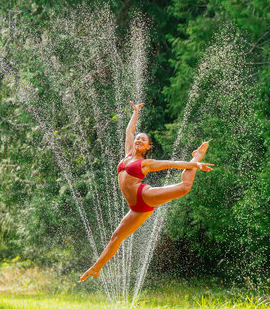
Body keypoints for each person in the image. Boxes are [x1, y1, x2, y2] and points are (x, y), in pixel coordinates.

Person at [80, 102, 213, 282]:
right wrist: (135, 113)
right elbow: (129, 132)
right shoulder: (127, 154)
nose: (139, 140)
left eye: (143, 140)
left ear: (148, 147)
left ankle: (197, 155)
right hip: (135, 208)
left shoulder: (146, 163)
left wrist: (194, 164)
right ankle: (96, 269)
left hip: (144, 195)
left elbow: (171, 164)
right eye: (138, 138)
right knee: (116, 237)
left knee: (184, 187)